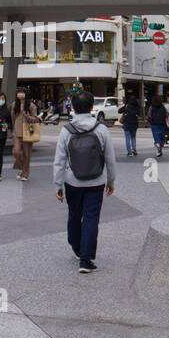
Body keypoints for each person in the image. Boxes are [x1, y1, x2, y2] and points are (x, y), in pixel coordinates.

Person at [53, 92, 117, 274]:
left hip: (72, 181)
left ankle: (76, 246)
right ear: (91, 108)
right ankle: (86, 259)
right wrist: (110, 181)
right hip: (96, 181)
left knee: (74, 214)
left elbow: (59, 160)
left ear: (72, 107)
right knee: (91, 217)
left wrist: (58, 184)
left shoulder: (67, 130)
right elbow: (110, 159)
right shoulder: (101, 129)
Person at [11, 88, 40, 181]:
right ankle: (21, 168)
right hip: (17, 132)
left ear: (26, 94)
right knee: (16, 152)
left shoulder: (31, 106)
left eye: (22, 92)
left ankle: (25, 173)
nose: (20, 94)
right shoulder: (14, 105)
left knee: (26, 154)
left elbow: (36, 119)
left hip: (28, 132)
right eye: (19, 92)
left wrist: (26, 115)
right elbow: (13, 119)